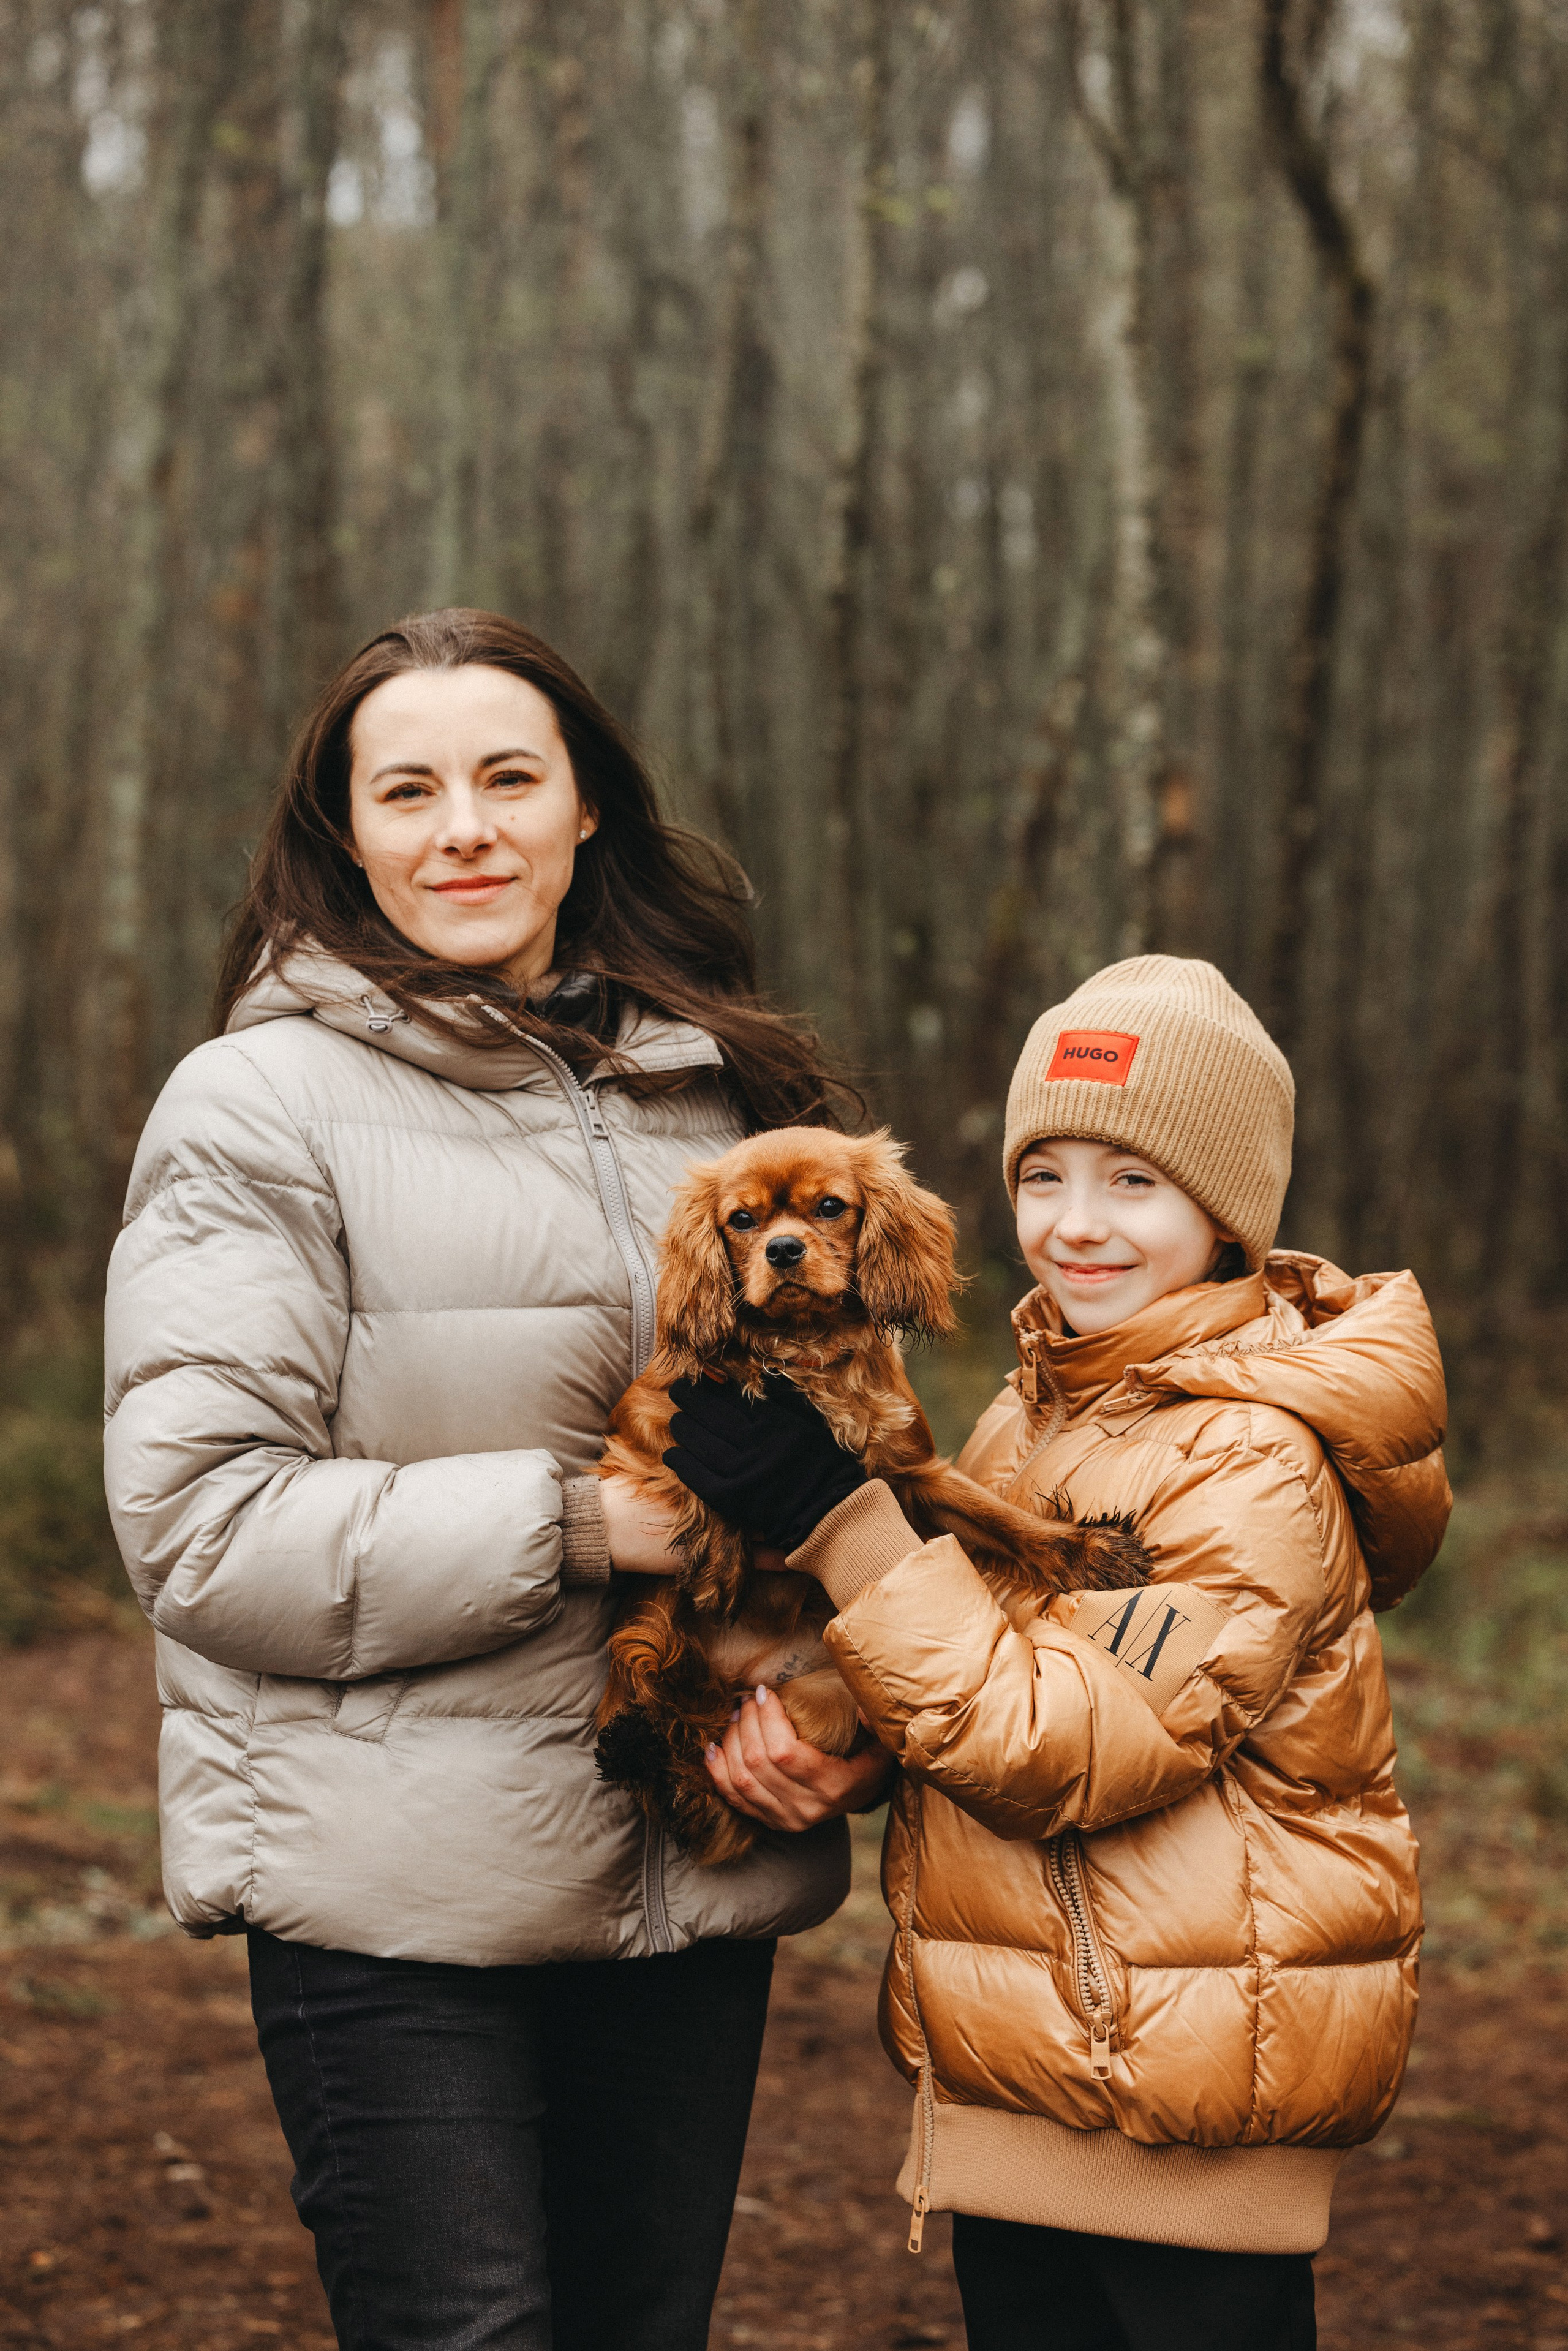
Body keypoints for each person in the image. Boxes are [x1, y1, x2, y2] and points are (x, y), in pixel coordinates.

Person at [102, 606, 890, 2351]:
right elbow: (201, 1524)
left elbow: (854, 1474)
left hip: (685, 1873)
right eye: (408, 789)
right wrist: (579, 1521)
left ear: (585, 805)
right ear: (346, 830)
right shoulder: (254, 1106)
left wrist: (853, 1725)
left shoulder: (723, 1104)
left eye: (508, 777)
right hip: (392, 1899)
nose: (462, 827)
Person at [677, 954, 1450, 2351]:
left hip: (1189, 2103)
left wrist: (841, 1524)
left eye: (1133, 1182)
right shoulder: (1032, 1419)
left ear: (1226, 1210)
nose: (1076, 1224)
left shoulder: (1248, 1457)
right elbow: (966, 1683)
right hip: (1029, 2079)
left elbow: (1061, 1744)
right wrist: (858, 1755)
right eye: (1044, 1177)